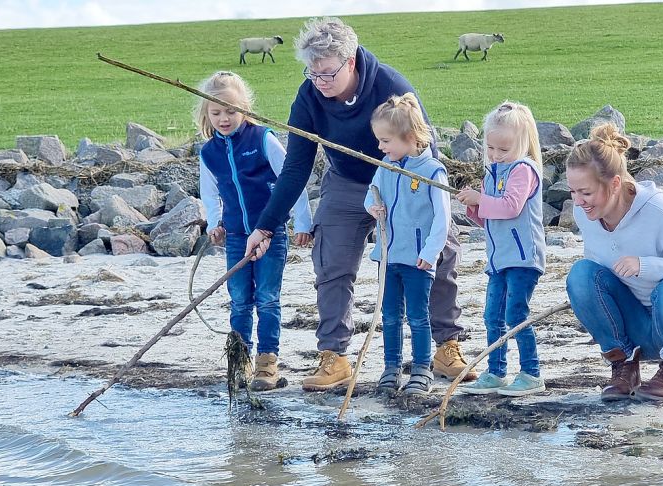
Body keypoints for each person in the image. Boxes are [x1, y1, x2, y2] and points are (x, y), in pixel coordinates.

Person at [242, 17, 469, 391]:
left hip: (404, 180)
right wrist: (265, 226)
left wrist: (422, 199)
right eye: (312, 73)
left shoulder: (391, 86)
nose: (319, 82)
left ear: (350, 61)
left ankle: (446, 347)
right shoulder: (309, 96)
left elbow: (427, 150)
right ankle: (335, 356)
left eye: (327, 74)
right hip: (347, 182)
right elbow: (296, 166)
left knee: (438, 253)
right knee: (330, 261)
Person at [564, 124, 663, 401]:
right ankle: (624, 363)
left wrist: (648, 265)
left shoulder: (661, 212)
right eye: (573, 192)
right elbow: (599, 274)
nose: (578, 202)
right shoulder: (586, 214)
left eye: (586, 193)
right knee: (581, 275)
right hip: (640, 325)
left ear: (615, 184)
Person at [195, 70, 313, 391]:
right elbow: (210, 191)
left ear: (245, 108)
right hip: (235, 237)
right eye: (216, 112)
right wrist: (214, 222)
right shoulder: (209, 152)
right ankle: (239, 361)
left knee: (267, 298)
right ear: (207, 113)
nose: (224, 118)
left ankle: (267, 364)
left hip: (270, 235)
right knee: (238, 299)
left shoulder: (262, 139)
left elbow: (293, 179)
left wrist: (303, 222)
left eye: (231, 111)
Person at [455, 101, 547, 397]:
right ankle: (496, 371)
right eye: (491, 148)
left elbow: (510, 207)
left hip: (523, 258)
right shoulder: (492, 172)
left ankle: (531, 373)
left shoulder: (523, 170)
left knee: (516, 313)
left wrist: (480, 198)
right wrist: (474, 207)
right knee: (492, 316)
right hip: (498, 260)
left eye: (503, 150)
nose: (495, 155)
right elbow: (490, 218)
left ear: (523, 144)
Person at [364, 93, 451, 396]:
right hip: (387, 257)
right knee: (389, 315)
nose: (380, 147)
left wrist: (431, 252)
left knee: (417, 315)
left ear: (410, 137)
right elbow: (372, 193)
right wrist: (372, 208)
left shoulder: (432, 171)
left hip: (417, 259)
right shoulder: (385, 165)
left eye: (386, 140)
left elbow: (443, 218)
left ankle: (422, 369)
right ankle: (391, 367)